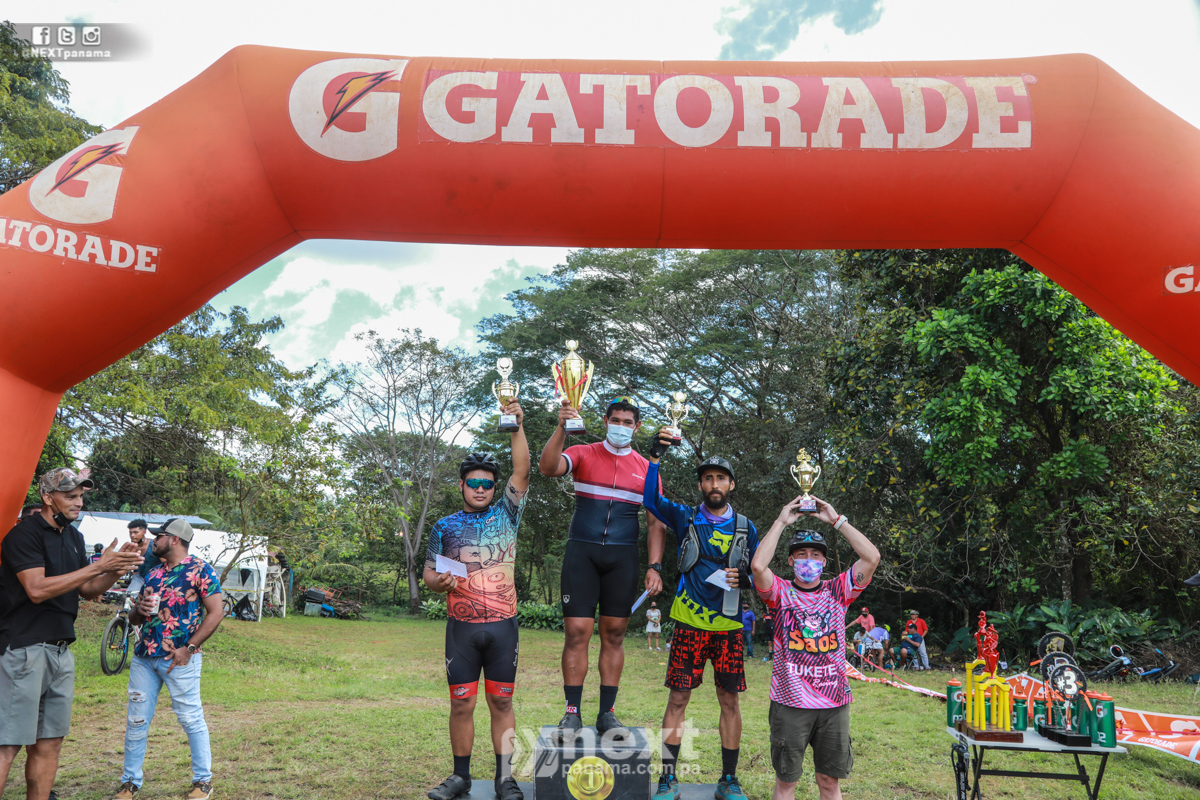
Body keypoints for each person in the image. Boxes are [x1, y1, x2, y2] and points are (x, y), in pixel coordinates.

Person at [0, 468, 142, 800]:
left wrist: (115, 569)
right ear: (48, 498)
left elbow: (88, 590)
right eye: (70, 496)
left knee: (49, 743)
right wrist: (99, 565)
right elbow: (36, 589)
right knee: (8, 743)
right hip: (24, 649)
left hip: (62, 650)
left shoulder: (73, 538)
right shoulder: (24, 535)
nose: (78, 503)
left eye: (80, 497)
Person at [538, 396, 666, 744]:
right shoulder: (583, 452)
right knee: (577, 633)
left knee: (614, 635)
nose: (621, 427)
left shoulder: (646, 469)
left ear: (637, 427)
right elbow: (548, 467)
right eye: (616, 420)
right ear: (605, 420)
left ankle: (607, 713)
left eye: (628, 422)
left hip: (622, 559)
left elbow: (655, 523)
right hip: (582, 554)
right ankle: (572, 712)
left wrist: (654, 566)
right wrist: (562, 427)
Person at [424, 401, 530, 800]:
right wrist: (439, 584)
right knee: (461, 705)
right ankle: (461, 777)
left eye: (487, 483)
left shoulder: (507, 515)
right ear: (462, 486)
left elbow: (522, 471)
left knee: (501, 704)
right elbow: (429, 573)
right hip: (461, 631)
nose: (481, 489)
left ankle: (505, 779)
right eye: (474, 483)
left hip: (503, 627)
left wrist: (516, 427)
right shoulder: (444, 527)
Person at [644, 440, 760, 800]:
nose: (714, 484)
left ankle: (728, 779)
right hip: (689, 624)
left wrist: (747, 579)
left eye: (721, 478)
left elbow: (759, 573)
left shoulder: (747, 527)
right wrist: (655, 458)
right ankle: (667, 778)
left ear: (731, 484)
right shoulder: (685, 517)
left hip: (729, 628)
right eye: (708, 478)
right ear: (700, 485)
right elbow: (650, 500)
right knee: (677, 700)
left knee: (730, 702)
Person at [750, 494, 881, 800]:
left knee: (829, 782)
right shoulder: (779, 593)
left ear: (823, 562)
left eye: (815, 555)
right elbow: (757, 565)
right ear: (791, 561)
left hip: (834, 705)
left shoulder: (839, 590)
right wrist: (781, 521)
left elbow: (872, 558)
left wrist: (836, 520)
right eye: (801, 554)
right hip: (789, 704)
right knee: (786, 783)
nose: (808, 559)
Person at [113, 518, 223, 800]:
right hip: (144, 657)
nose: (154, 540)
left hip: (179, 659)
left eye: (159, 536)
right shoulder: (153, 573)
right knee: (136, 720)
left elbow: (216, 613)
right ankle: (130, 782)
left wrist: (190, 648)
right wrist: (138, 609)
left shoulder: (201, 570)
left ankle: (203, 781)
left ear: (174, 539)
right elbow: (135, 618)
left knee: (190, 718)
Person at [125, 519, 158, 595]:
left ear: (144, 532)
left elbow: (166, 563)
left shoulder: (154, 545)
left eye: (135, 532)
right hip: (140, 577)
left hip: (156, 577)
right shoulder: (131, 547)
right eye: (130, 532)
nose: (132, 535)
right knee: (128, 597)